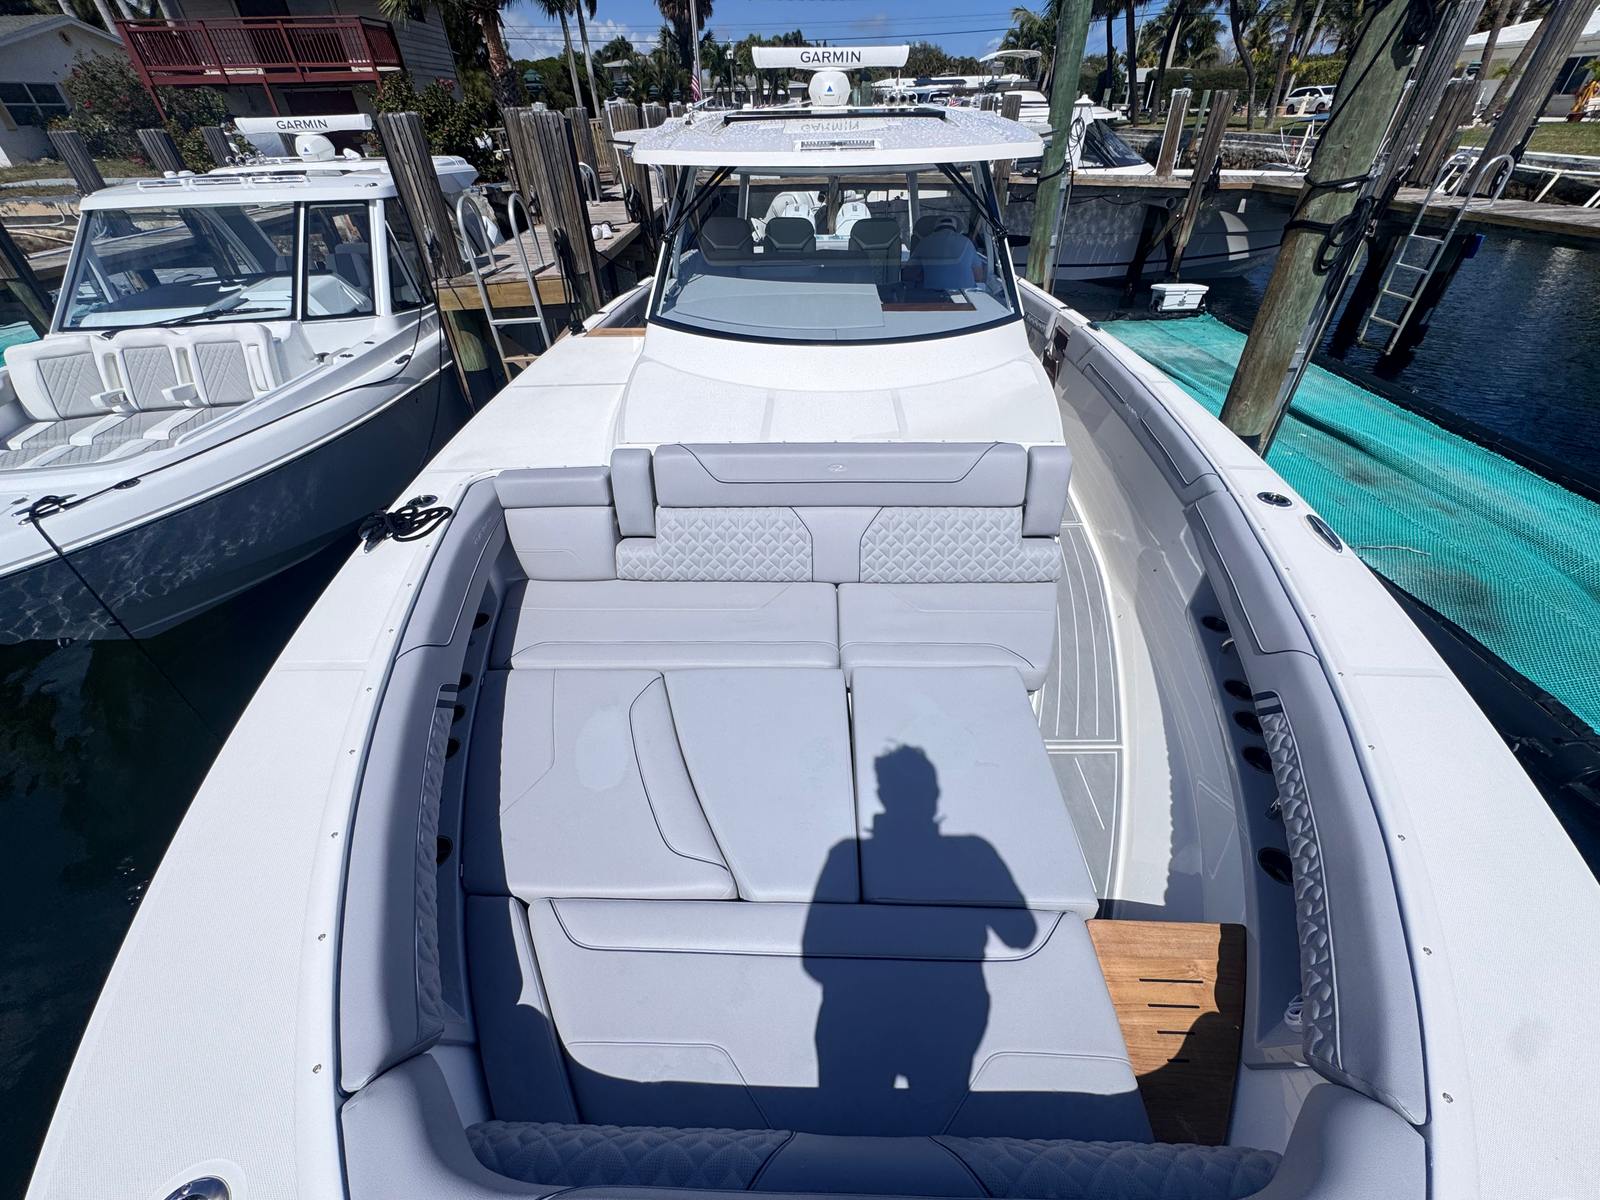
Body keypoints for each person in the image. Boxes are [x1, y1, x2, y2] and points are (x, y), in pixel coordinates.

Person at [906, 212, 984, 293]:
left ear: (935, 228)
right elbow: (978, 276)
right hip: (965, 297)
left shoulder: (924, 243)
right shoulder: (967, 243)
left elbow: (908, 275)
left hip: (932, 297)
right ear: (956, 229)